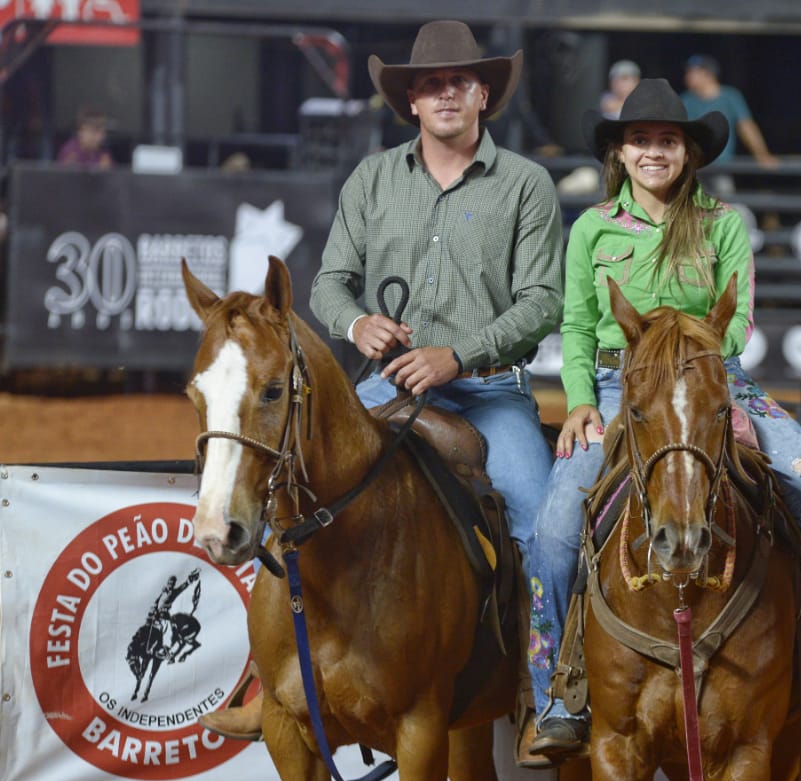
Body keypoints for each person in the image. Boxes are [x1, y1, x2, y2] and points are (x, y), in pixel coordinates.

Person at [199, 19, 565, 740]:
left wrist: (458, 354)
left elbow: (543, 301)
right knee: (289, 478)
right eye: (431, 85)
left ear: (483, 93)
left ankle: (546, 687)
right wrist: (357, 323)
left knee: (539, 522)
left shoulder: (526, 185)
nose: (446, 95)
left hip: (488, 392)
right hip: (384, 385)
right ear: (412, 104)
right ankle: (264, 675)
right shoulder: (372, 179)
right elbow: (331, 282)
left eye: (459, 81)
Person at [524, 78, 801, 759]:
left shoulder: (722, 226)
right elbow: (573, 326)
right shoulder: (592, 228)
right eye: (640, 141)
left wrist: (692, 355)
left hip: (718, 381)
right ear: (620, 154)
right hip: (615, 382)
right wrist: (578, 404)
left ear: (687, 152)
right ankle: (555, 689)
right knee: (555, 521)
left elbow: (737, 321)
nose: (653, 151)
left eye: (667, 140)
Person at [681, 53, 779, 190]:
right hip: (694, 167)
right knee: (691, 205)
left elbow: (746, 127)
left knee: (725, 203)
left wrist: (762, 155)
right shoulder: (685, 100)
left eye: (693, 72)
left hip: (722, 166)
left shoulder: (730, 97)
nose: (687, 76)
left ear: (708, 74)